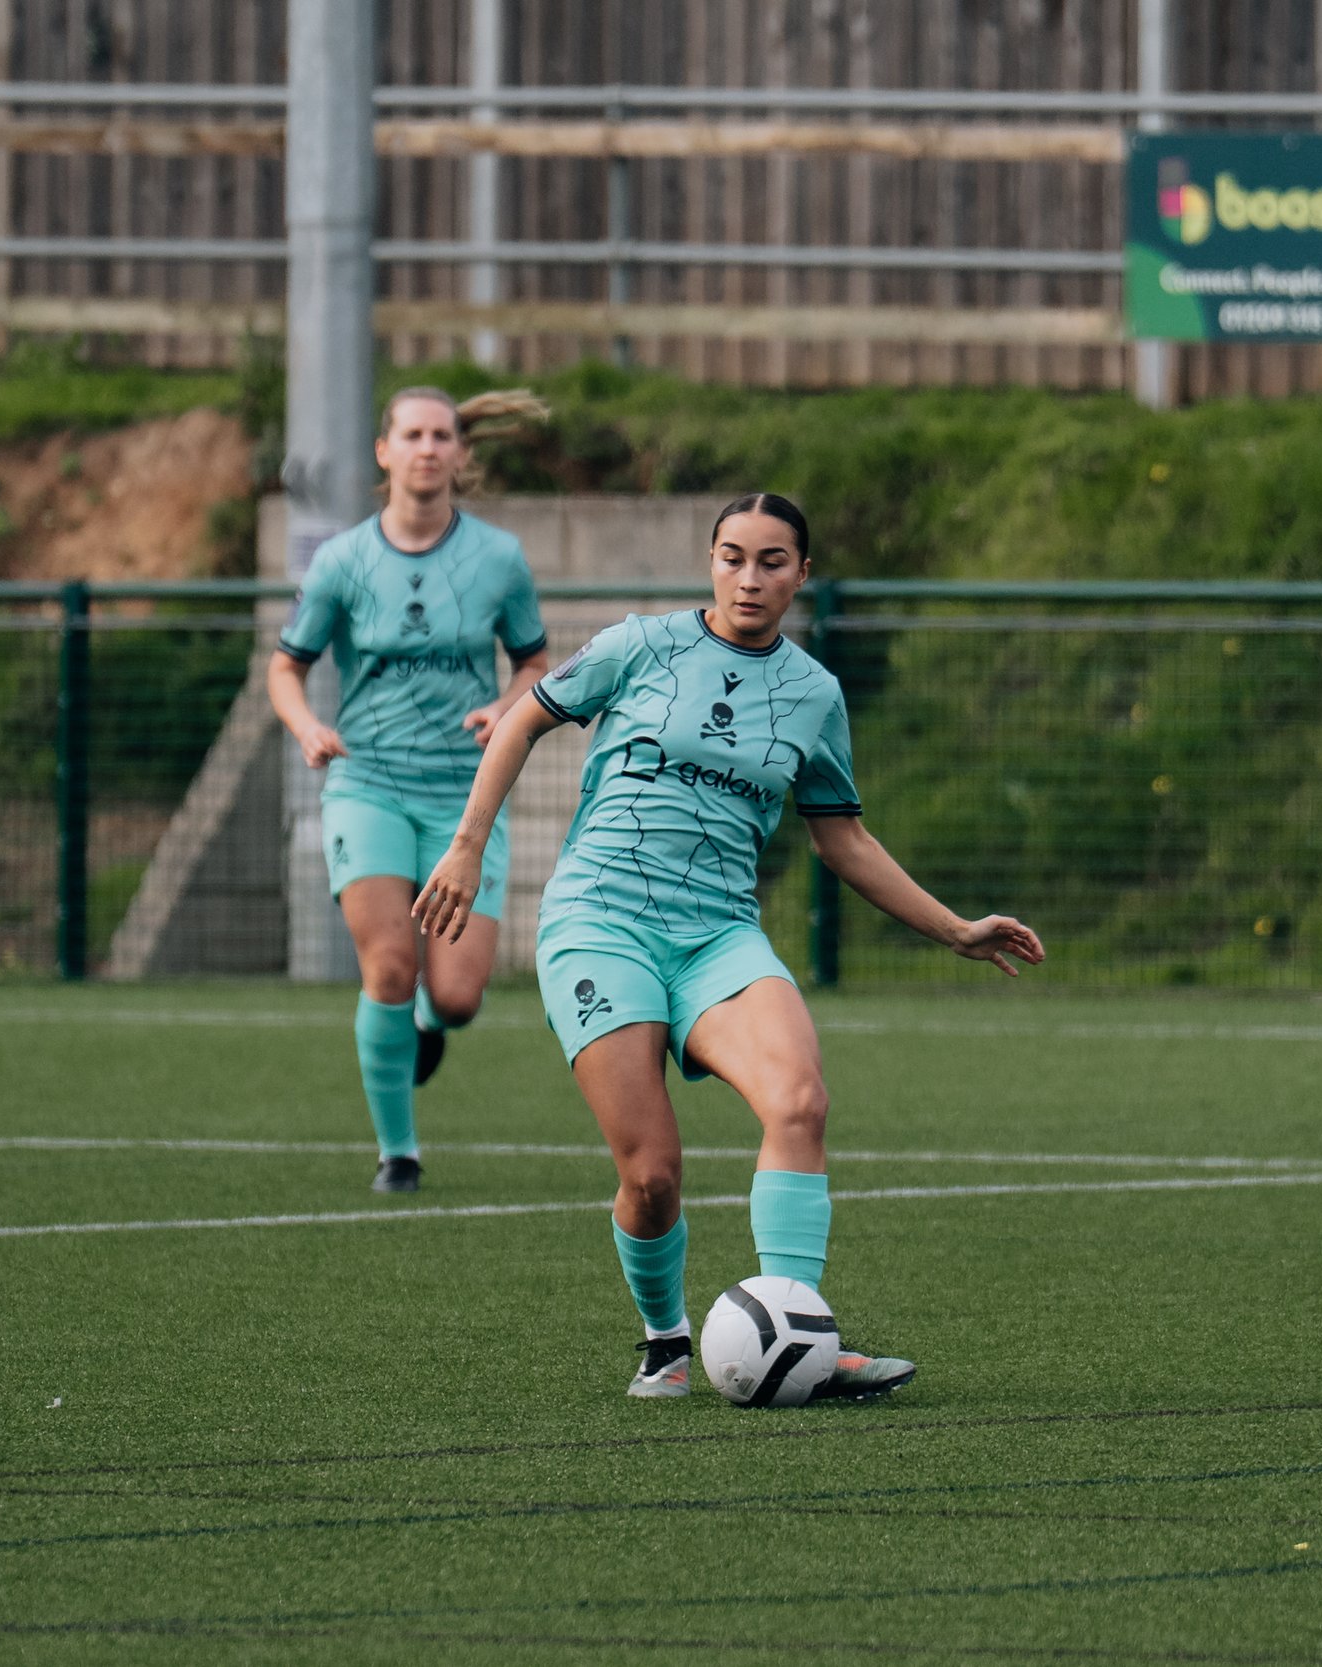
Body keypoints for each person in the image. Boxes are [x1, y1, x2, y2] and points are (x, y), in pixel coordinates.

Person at [413, 493, 1045, 1399]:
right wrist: (468, 846)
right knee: (653, 1176)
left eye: (772, 561)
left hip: (719, 935)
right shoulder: (640, 645)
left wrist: (954, 928)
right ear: (711, 560)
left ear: (802, 575)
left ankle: (803, 1333)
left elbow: (844, 839)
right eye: (733, 556)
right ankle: (665, 1340)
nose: (750, 578)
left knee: (799, 1100)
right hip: (600, 923)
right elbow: (521, 720)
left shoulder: (814, 693)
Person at [267, 386, 551, 1194]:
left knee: (456, 996)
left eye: (442, 435)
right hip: (369, 786)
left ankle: (429, 1023)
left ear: (461, 453)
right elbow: (286, 667)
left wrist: (506, 705)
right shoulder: (342, 560)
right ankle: (398, 1151)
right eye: (413, 435)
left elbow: (534, 662)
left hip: (466, 797)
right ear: (384, 452)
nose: (428, 448)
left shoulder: (499, 558)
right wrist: (306, 727)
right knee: (390, 966)